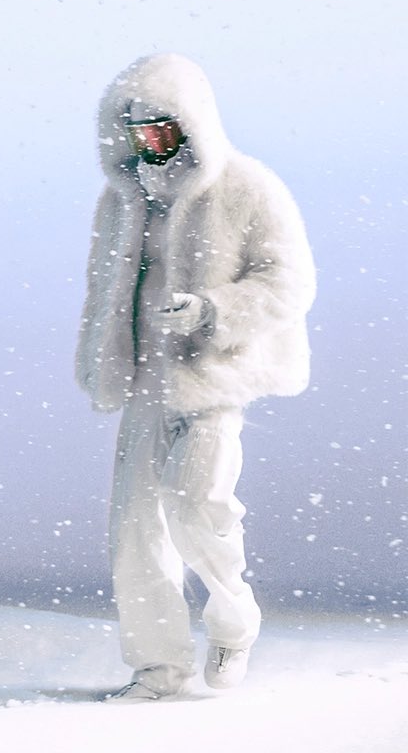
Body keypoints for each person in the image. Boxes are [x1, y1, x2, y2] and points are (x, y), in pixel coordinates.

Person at [75, 54, 316, 701]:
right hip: (144, 383)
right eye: (137, 129)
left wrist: (213, 311)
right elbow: (103, 291)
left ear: (192, 122)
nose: (149, 140)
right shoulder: (121, 200)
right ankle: (158, 667)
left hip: (213, 381)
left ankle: (234, 620)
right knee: (135, 529)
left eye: (162, 125)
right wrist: (102, 360)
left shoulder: (246, 186)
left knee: (195, 508)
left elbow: (291, 281)